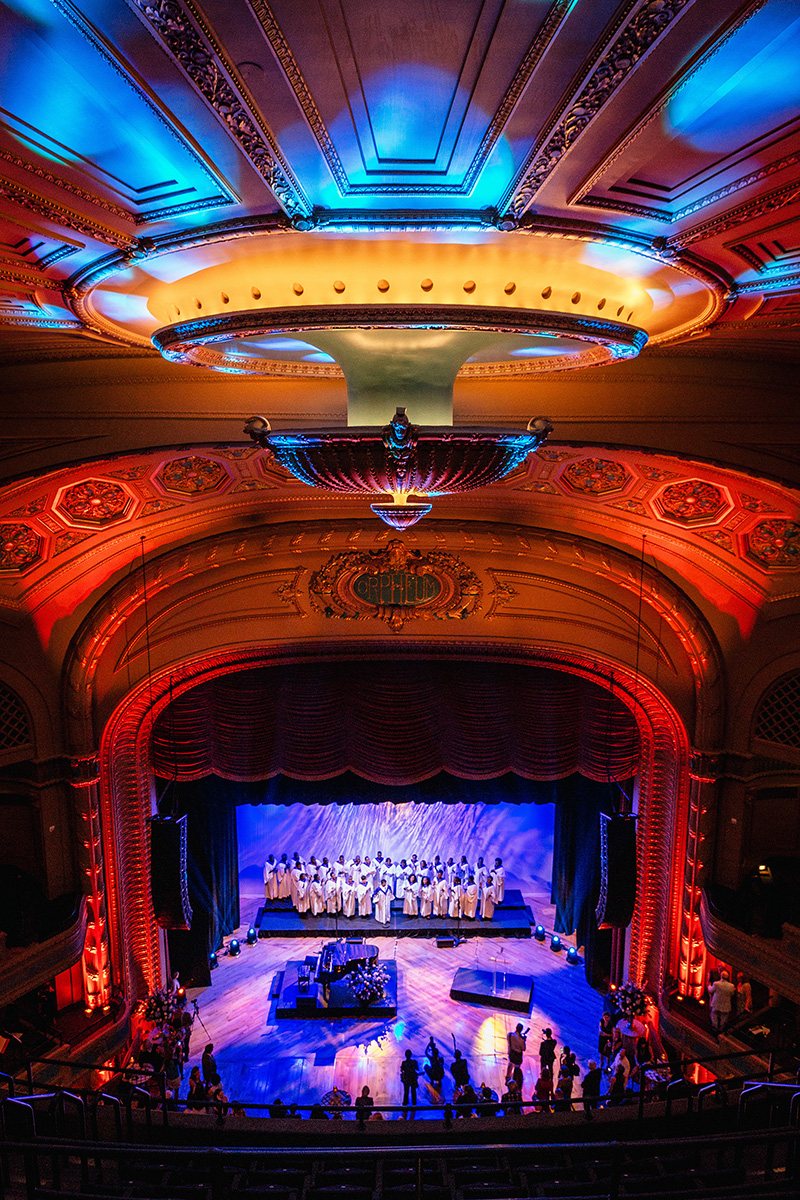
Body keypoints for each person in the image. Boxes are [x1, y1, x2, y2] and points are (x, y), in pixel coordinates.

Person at [708, 969, 737, 1034]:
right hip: (726, 1005)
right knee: (723, 1018)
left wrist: (708, 986)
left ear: (721, 976)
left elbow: (711, 991)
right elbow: (732, 994)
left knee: (714, 1016)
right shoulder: (731, 986)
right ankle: (721, 1030)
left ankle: (715, 1029)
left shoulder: (716, 984)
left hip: (716, 1004)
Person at [400, 1049, 419, 1117]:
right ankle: (414, 1103)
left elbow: (401, 1070)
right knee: (413, 1091)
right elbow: (417, 1069)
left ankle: (405, 1103)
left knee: (406, 1091)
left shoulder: (404, 1063)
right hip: (412, 1078)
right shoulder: (414, 1062)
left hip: (407, 1079)